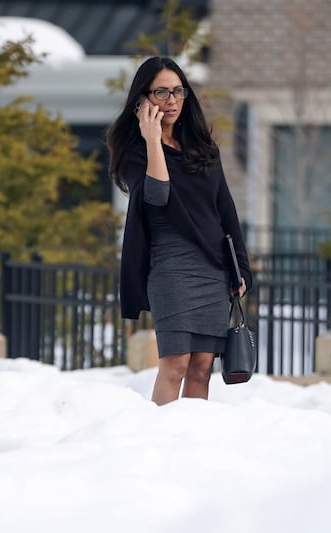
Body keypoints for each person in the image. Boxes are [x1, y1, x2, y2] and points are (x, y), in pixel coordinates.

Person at [106, 56, 252, 406]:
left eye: (177, 91)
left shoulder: (204, 150)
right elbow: (157, 196)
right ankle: (157, 441)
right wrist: (153, 140)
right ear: (143, 100)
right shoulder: (134, 152)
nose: (171, 100)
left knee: (202, 367)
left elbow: (226, 212)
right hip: (170, 266)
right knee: (175, 364)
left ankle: (189, 445)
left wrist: (241, 269)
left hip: (212, 266)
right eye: (161, 92)